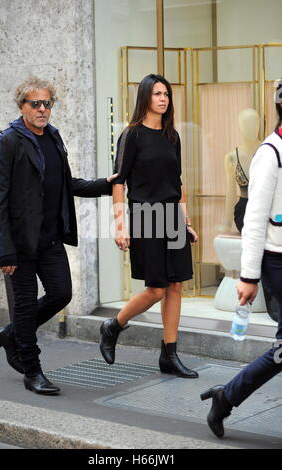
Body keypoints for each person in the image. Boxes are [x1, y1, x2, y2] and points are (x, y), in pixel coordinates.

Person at [0, 77, 117, 395]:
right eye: (36, 103)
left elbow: (66, 183)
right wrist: (5, 251)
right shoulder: (9, 141)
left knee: (61, 294)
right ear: (22, 106)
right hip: (20, 243)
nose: (43, 109)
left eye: (47, 103)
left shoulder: (54, 138)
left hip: (50, 238)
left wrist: (104, 183)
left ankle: (11, 334)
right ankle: (32, 370)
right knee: (25, 304)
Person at [99, 74, 199, 378]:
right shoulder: (132, 135)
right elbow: (119, 184)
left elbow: (178, 183)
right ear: (145, 98)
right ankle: (113, 325)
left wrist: (187, 221)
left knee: (176, 286)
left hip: (172, 217)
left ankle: (169, 354)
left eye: (166, 94)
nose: (163, 98)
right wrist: (119, 225)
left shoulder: (172, 136)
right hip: (145, 216)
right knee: (156, 289)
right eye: (157, 93)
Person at [201, 79, 282, 438]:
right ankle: (227, 396)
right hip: (278, 261)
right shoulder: (272, 152)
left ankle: (227, 396)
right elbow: (254, 217)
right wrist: (248, 276)